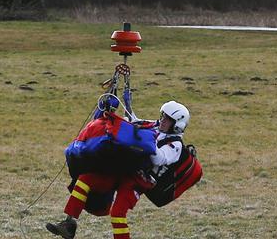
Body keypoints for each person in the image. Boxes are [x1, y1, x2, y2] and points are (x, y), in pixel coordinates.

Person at [47, 100, 190, 239]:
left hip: (138, 181)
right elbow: (135, 121)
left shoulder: (176, 145)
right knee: (86, 178)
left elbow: (160, 159)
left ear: (177, 125)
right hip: (126, 168)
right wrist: (126, 105)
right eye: (163, 116)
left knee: (117, 213)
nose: (163, 120)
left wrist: (148, 141)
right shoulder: (156, 126)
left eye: (168, 119)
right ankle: (68, 224)